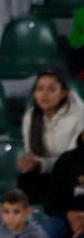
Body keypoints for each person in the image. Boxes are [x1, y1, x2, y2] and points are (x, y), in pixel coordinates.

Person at [17, 69, 84, 204]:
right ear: (34, 94)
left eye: (51, 89)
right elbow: (32, 153)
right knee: (26, 179)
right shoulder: (31, 116)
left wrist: (41, 165)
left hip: (73, 175)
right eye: (40, 89)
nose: (44, 94)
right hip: (47, 172)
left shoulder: (80, 115)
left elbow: (71, 162)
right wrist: (31, 163)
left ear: (64, 93)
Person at [44, 131, 84, 238]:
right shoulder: (66, 160)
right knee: (48, 229)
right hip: (67, 217)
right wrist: (68, 214)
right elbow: (51, 202)